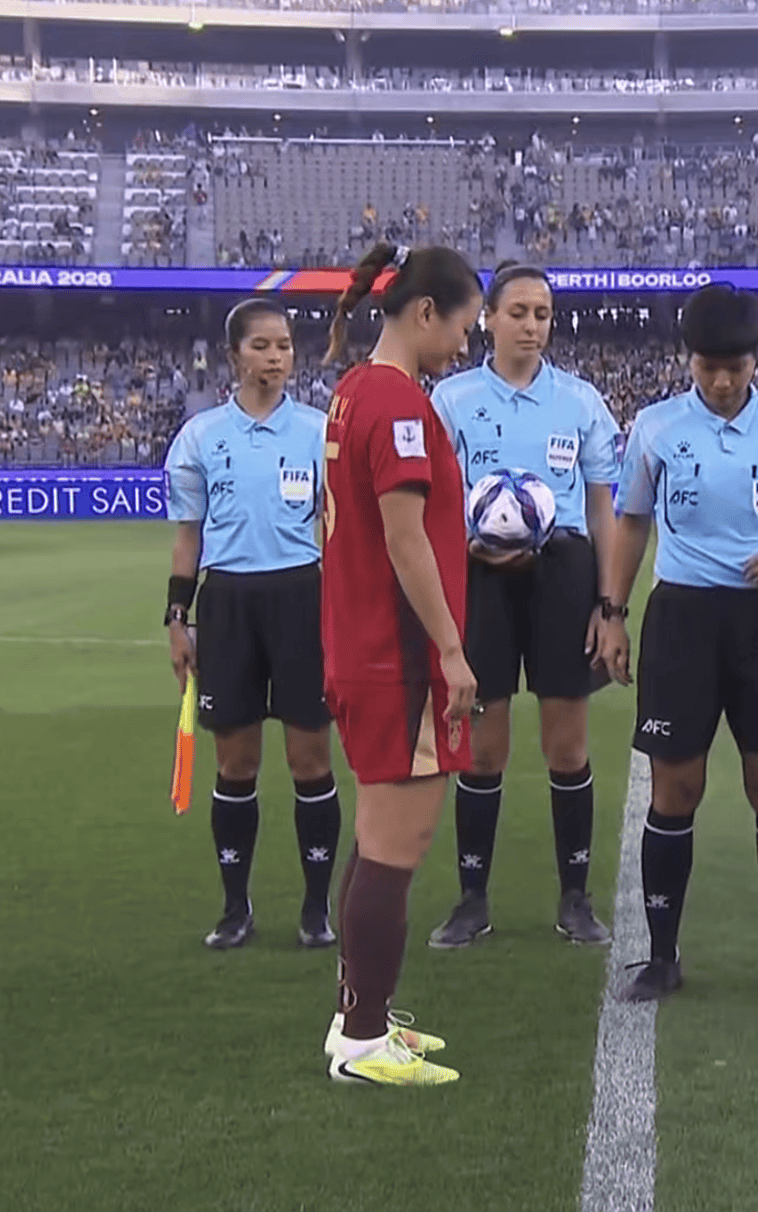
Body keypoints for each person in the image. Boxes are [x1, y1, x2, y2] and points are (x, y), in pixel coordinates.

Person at [598, 283, 758, 1004]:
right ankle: (662, 957)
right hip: (682, 620)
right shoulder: (655, 428)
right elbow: (632, 522)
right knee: (677, 789)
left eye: (736, 366)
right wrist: (613, 613)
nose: (723, 381)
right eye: (708, 367)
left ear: (757, 359)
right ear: (689, 360)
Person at [319, 242, 484, 1087]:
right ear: (425, 313)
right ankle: (362, 1042)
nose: (465, 343)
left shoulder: (356, 389)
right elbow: (404, 538)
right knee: (395, 847)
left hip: (363, 648)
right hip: (398, 658)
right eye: (463, 326)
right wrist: (451, 650)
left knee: (375, 839)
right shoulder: (398, 403)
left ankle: (360, 1017)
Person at [428, 263, 620, 950]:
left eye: (542, 314)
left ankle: (575, 898)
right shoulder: (451, 399)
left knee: (567, 745)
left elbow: (601, 507)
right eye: (518, 312)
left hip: (563, 574)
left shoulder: (580, 401)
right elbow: (432, 501)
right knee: (484, 749)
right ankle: (472, 899)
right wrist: (465, 547)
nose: (532, 326)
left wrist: (609, 604)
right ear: (488, 318)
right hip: (478, 575)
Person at [164, 298, 339, 951]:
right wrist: (177, 619)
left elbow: (339, 531)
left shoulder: (319, 432)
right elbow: (188, 538)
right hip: (229, 604)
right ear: (233, 355)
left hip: (302, 598)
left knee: (309, 759)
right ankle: (235, 909)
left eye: (284, 345)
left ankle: (316, 910)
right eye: (261, 345)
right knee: (236, 763)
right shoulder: (200, 438)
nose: (275, 357)